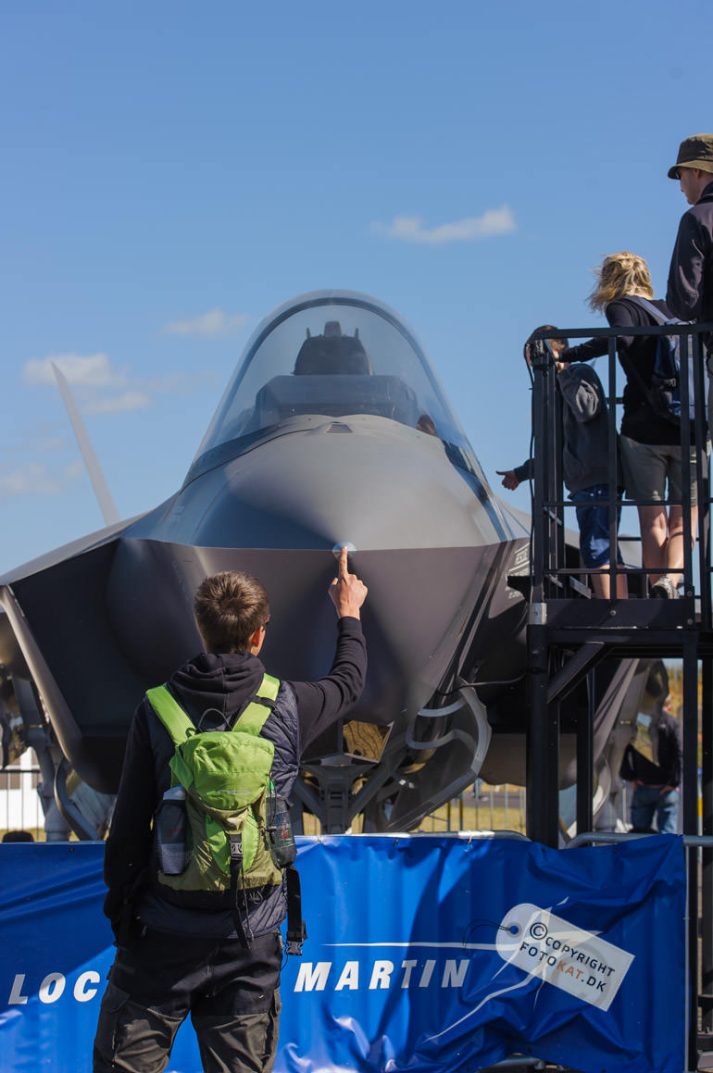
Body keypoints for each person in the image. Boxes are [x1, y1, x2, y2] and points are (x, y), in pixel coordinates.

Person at [93, 547, 368, 1073]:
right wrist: (348, 611)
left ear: (201, 627)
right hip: (250, 936)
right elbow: (348, 682)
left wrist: (125, 918)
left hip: (162, 936)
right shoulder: (290, 704)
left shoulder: (158, 708)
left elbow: (127, 829)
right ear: (261, 632)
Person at [559, 252, 702, 599]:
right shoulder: (671, 310)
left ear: (609, 280)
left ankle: (658, 589)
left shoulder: (620, 308)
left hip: (643, 430)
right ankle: (672, 580)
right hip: (690, 428)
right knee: (687, 517)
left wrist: (569, 355)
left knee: (652, 518)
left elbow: (620, 338)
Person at [497, 327, 626, 599]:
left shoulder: (579, 374)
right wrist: (522, 473)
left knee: (596, 546)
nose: (536, 367)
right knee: (601, 545)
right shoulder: (555, 389)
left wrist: (563, 369)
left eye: (537, 357)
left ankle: (613, 609)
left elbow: (586, 409)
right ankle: (616, 605)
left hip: (598, 475)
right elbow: (554, 445)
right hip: (581, 481)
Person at [666, 133, 713, 430]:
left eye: (681, 174)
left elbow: (685, 302)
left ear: (698, 171)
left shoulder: (697, 218)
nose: (680, 184)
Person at [620, 694, 682, 834]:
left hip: (643, 785)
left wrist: (630, 776)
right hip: (666, 789)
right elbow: (679, 754)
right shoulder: (672, 723)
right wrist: (674, 783)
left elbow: (625, 748)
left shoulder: (641, 723)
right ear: (669, 706)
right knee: (667, 838)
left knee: (639, 837)